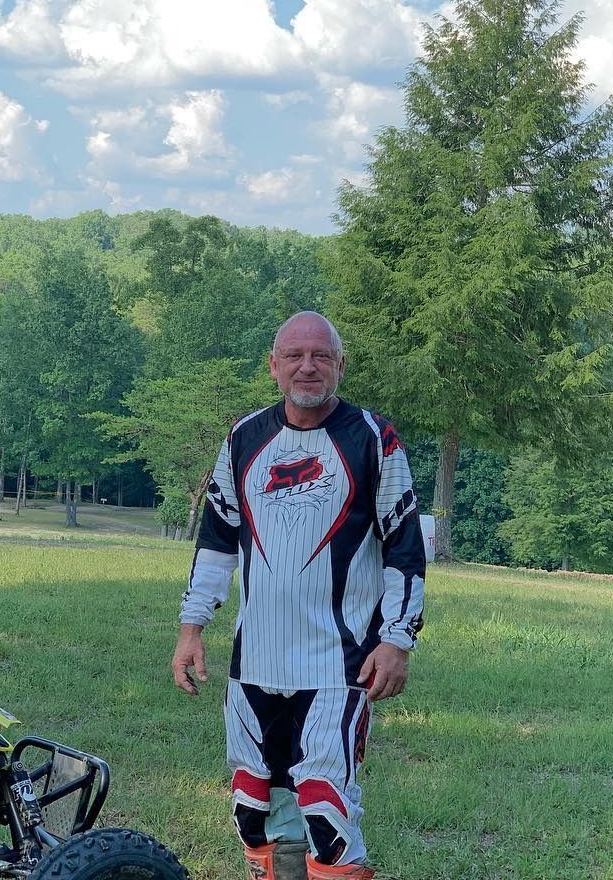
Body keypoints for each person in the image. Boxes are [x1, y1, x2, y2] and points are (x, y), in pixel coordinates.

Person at [171, 312, 426, 880]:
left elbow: (405, 548)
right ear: (274, 365)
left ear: (340, 364)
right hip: (254, 661)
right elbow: (216, 541)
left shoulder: (373, 438)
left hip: (339, 663)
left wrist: (397, 640)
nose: (307, 367)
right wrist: (192, 629)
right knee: (253, 807)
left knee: (325, 809)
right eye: (294, 355)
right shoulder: (244, 438)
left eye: (321, 356)